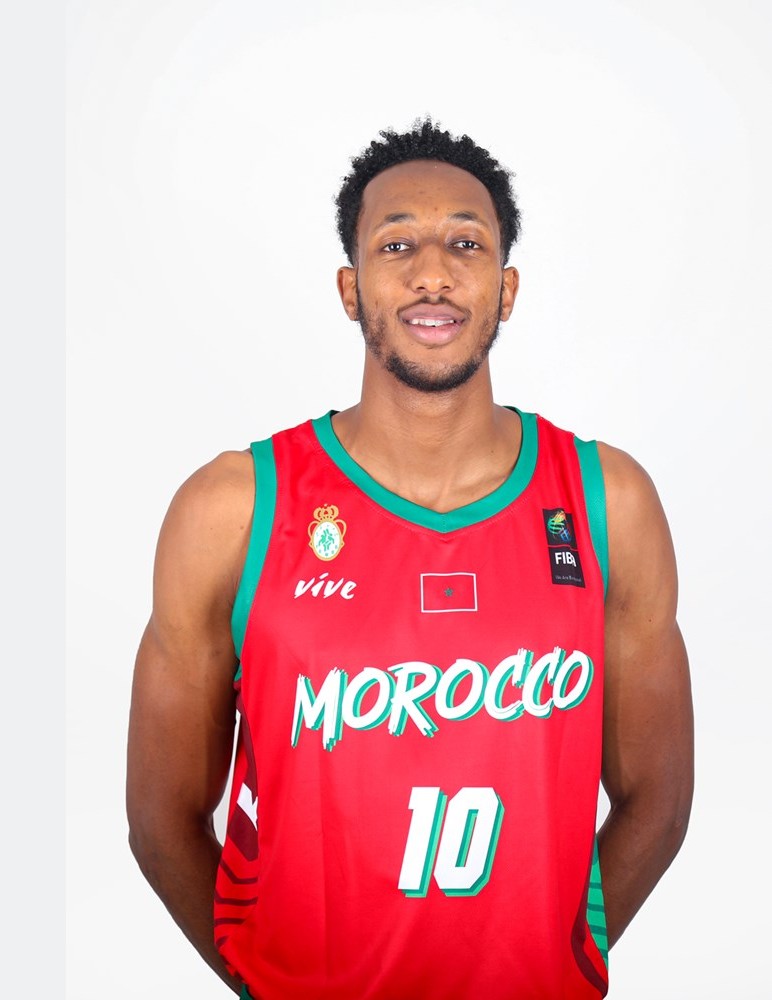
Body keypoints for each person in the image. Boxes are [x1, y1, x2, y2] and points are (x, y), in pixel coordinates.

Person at [127, 119, 693, 999]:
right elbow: (161, 817)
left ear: (506, 289)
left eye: (466, 243)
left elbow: (658, 796)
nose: (434, 272)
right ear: (351, 288)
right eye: (397, 245)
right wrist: (266, 985)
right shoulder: (234, 509)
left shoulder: (606, 503)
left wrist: (558, 964)